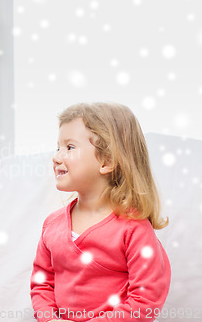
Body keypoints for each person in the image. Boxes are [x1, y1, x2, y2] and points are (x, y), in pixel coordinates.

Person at [30, 102, 170, 322]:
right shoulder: (52, 225)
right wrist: (50, 319)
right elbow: (42, 283)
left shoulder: (133, 228)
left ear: (107, 161)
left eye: (69, 147)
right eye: (58, 147)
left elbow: (146, 300)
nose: (56, 157)